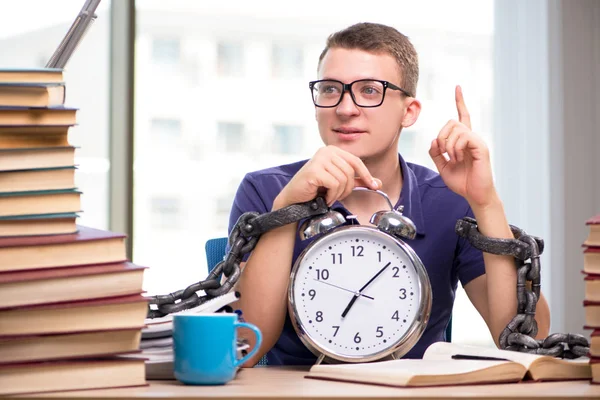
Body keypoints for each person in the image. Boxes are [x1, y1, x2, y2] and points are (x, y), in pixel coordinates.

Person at [227, 22, 550, 366]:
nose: (345, 108)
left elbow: (527, 341)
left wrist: (486, 203)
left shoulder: (448, 201)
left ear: (408, 112)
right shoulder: (267, 191)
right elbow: (243, 348)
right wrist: (287, 210)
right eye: (330, 89)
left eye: (369, 90)